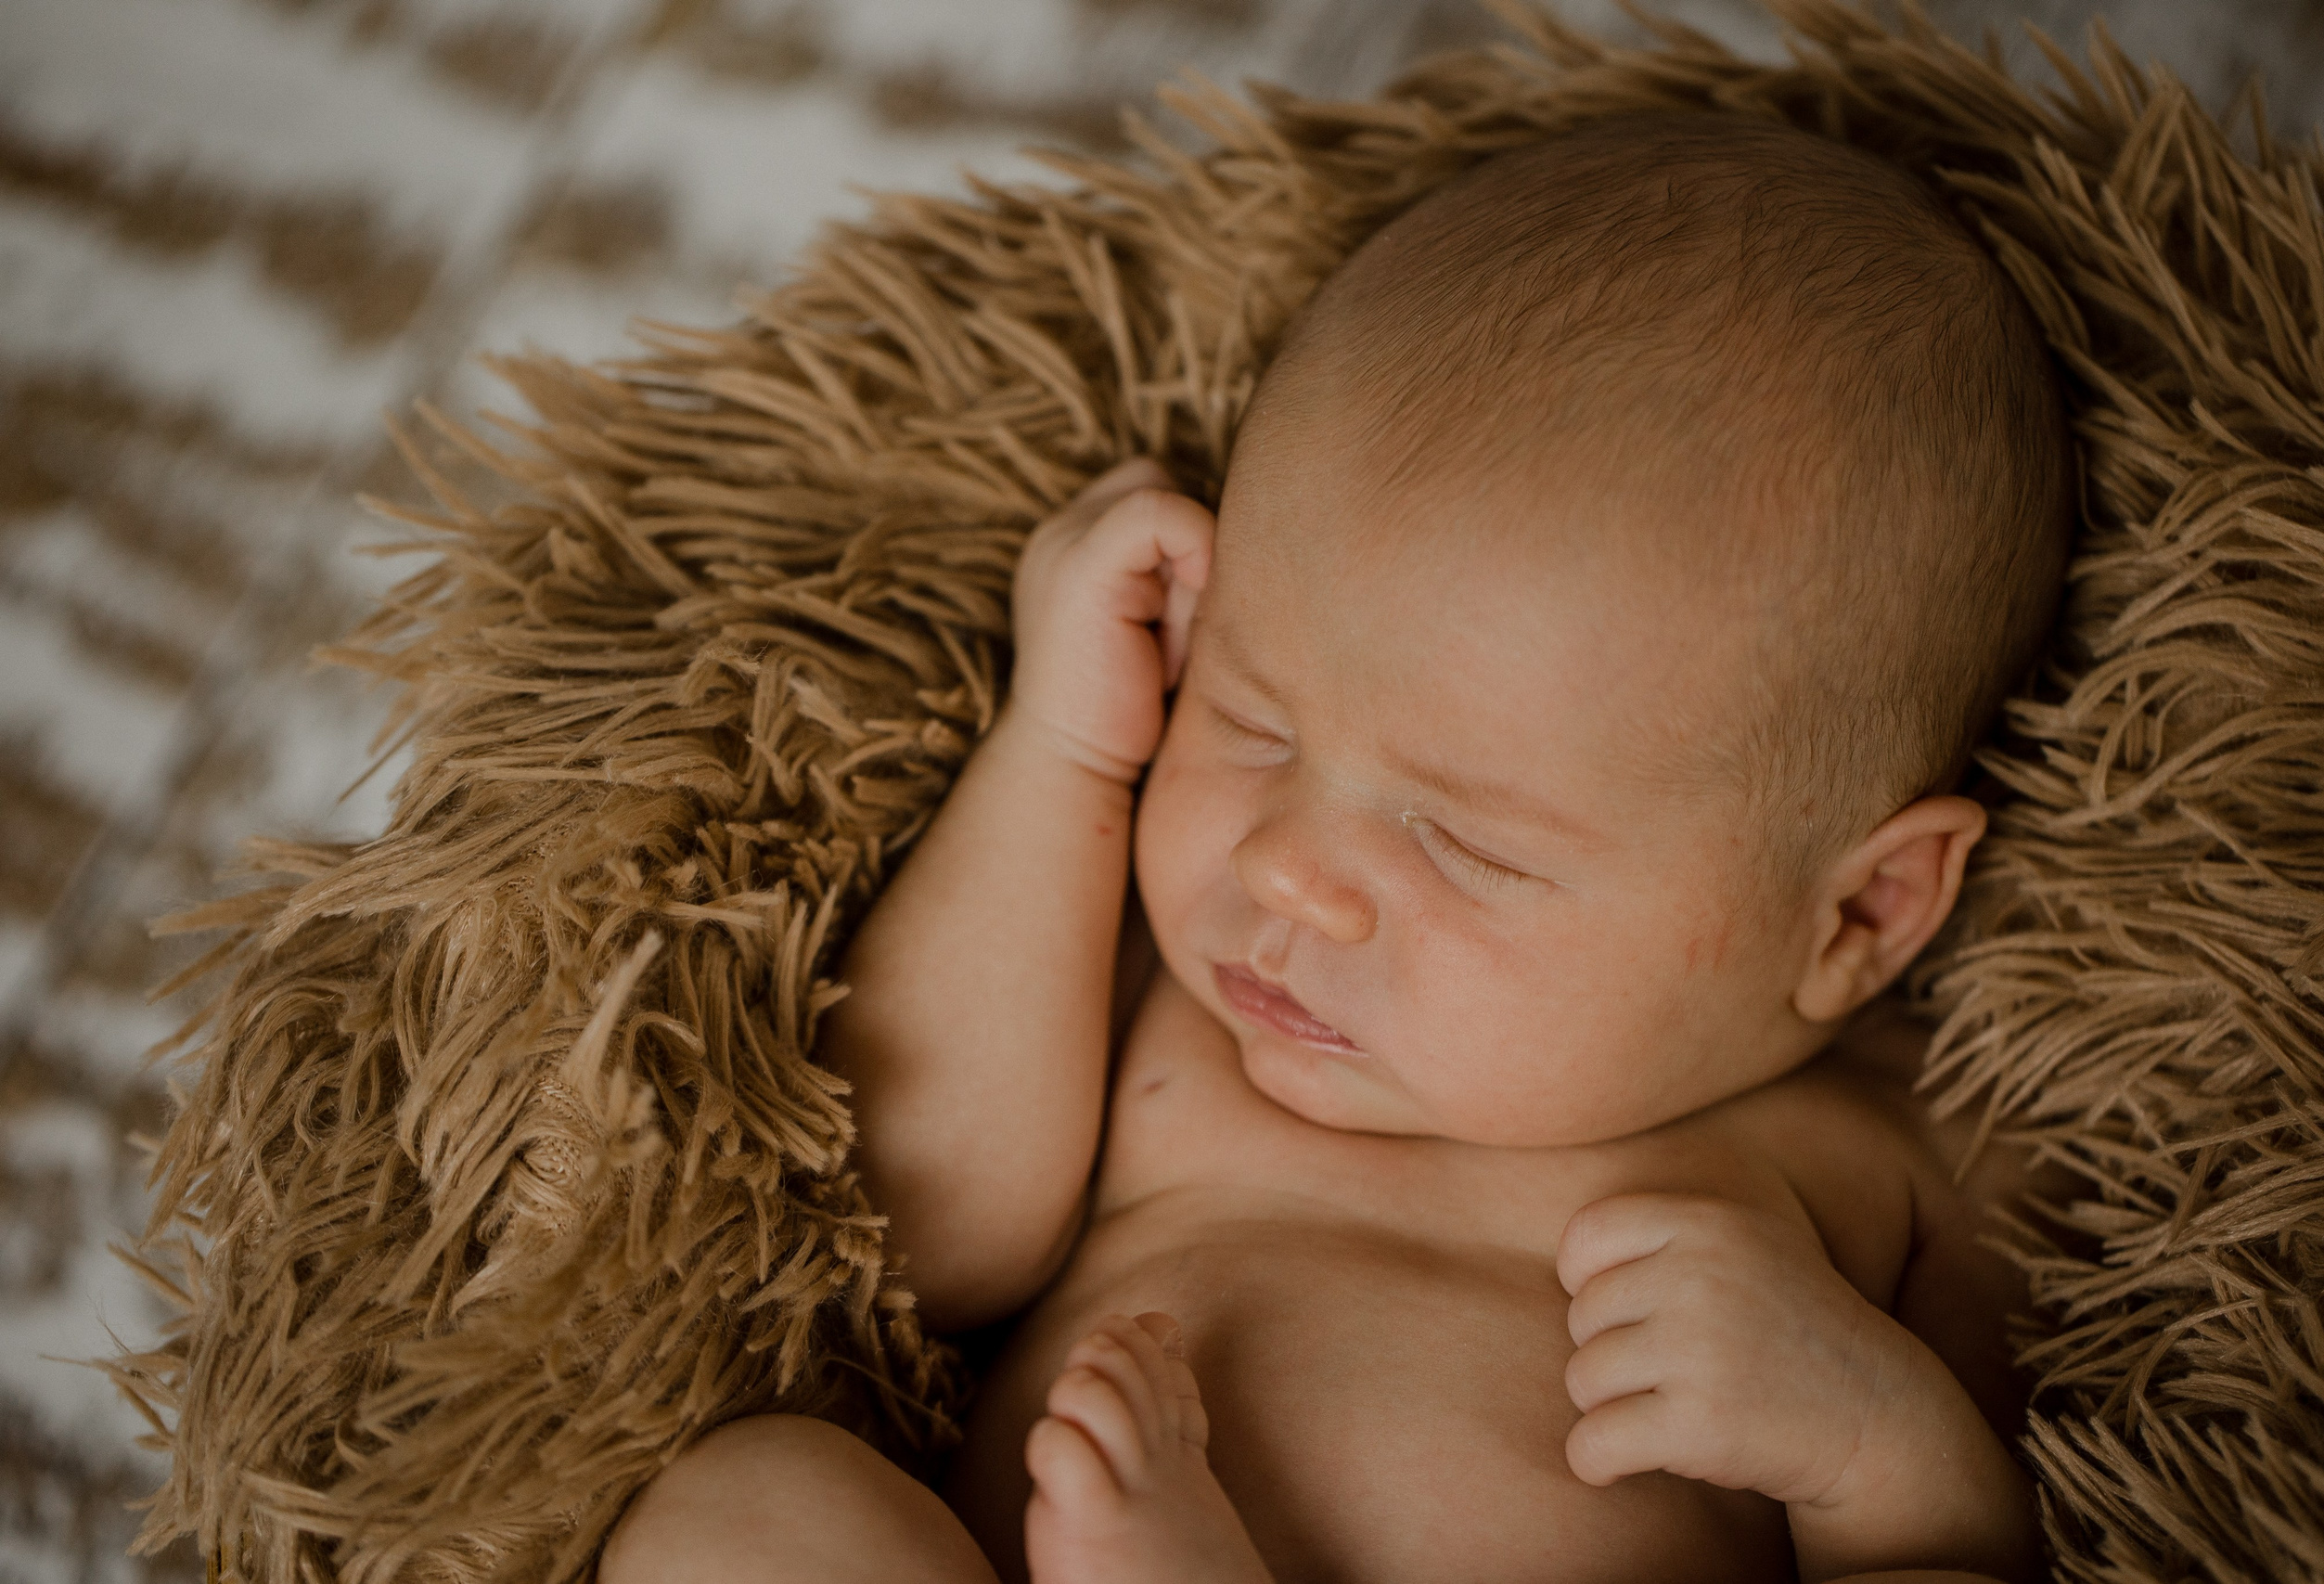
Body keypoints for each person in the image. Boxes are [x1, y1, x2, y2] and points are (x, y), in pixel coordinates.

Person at [600, 108, 2074, 1584]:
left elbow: (2019, 1547)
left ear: (1862, 912)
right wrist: (1062, 752)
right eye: (1250, 723)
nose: (1286, 870)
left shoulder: (1900, 1158)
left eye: (1468, 842)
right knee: (745, 1508)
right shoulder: (1191, 1000)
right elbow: (910, 1228)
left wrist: (1872, 1446)